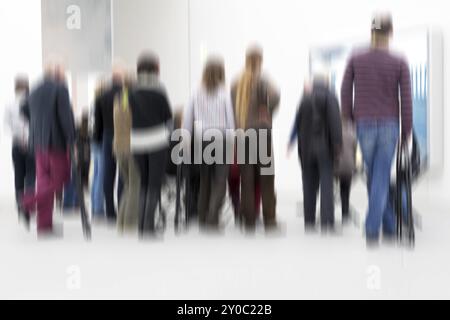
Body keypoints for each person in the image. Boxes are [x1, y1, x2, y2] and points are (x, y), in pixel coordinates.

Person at [341, 13, 412, 246]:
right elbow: (406, 98)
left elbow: (344, 89)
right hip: (390, 125)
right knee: (379, 176)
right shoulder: (399, 61)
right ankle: (373, 229)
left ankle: (389, 227)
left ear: (371, 32)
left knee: (375, 176)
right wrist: (407, 130)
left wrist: (349, 118)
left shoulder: (355, 58)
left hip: (364, 124)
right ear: (390, 33)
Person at [21, 63, 75, 235]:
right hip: (56, 142)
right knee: (61, 179)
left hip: (38, 142)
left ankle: (44, 225)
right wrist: (72, 138)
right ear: (58, 72)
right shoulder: (60, 89)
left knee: (44, 182)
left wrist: (37, 124)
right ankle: (27, 202)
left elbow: (23, 110)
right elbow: (65, 117)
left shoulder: (34, 89)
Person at [231, 46, 280, 232]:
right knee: (267, 179)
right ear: (260, 60)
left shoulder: (236, 82)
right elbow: (275, 96)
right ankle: (269, 221)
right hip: (261, 133)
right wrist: (267, 110)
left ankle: (248, 221)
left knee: (247, 180)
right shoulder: (263, 78)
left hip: (242, 134)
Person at [183, 57, 235, 230]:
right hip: (220, 138)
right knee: (220, 181)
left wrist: (186, 138)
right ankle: (213, 218)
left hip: (201, 140)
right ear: (222, 73)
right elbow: (230, 121)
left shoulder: (195, 91)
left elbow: (188, 118)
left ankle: (202, 216)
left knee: (204, 180)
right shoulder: (224, 93)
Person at [288, 76, 342, 232]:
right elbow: (335, 122)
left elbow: (297, 124)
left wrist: (293, 143)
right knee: (326, 184)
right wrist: (337, 144)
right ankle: (327, 222)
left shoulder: (304, 99)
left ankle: (309, 220)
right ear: (325, 84)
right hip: (325, 148)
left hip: (305, 148)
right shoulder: (330, 97)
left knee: (308, 184)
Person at [129, 52, 173, 237]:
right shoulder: (160, 89)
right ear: (157, 69)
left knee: (143, 183)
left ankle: (141, 225)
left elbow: (125, 114)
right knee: (154, 183)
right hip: (157, 141)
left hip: (136, 141)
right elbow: (168, 117)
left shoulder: (130, 90)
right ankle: (148, 227)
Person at [94, 65, 125, 223]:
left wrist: (97, 140)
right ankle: (121, 208)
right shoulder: (126, 94)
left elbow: (97, 123)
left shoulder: (101, 95)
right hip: (123, 135)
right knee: (123, 172)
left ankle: (110, 212)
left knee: (108, 172)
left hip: (106, 135)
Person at [3, 75, 35, 224]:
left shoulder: (9, 104)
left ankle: (19, 204)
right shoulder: (33, 101)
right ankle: (28, 205)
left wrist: (17, 136)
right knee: (30, 174)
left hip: (16, 144)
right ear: (27, 86)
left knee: (19, 174)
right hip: (31, 143)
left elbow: (6, 126)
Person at [114, 85, 141, 233]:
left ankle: (121, 222)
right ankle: (130, 224)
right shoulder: (133, 106)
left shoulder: (118, 104)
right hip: (132, 147)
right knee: (135, 185)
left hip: (118, 147)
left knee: (128, 185)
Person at [90, 81, 106, 219]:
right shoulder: (100, 104)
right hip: (100, 142)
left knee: (96, 175)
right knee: (101, 175)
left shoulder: (93, 104)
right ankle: (99, 208)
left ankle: (95, 207)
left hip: (94, 141)